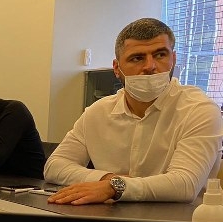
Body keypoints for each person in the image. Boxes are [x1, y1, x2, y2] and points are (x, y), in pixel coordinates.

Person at [45, 18, 223, 205]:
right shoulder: (97, 112)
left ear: (174, 59)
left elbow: (185, 184)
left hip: (181, 220)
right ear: (116, 68)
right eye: (137, 58)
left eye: (160, 55)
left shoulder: (200, 110)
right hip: (110, 217)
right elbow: (55, 166)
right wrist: (108, 179)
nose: (150, 66)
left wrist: (114, 187)